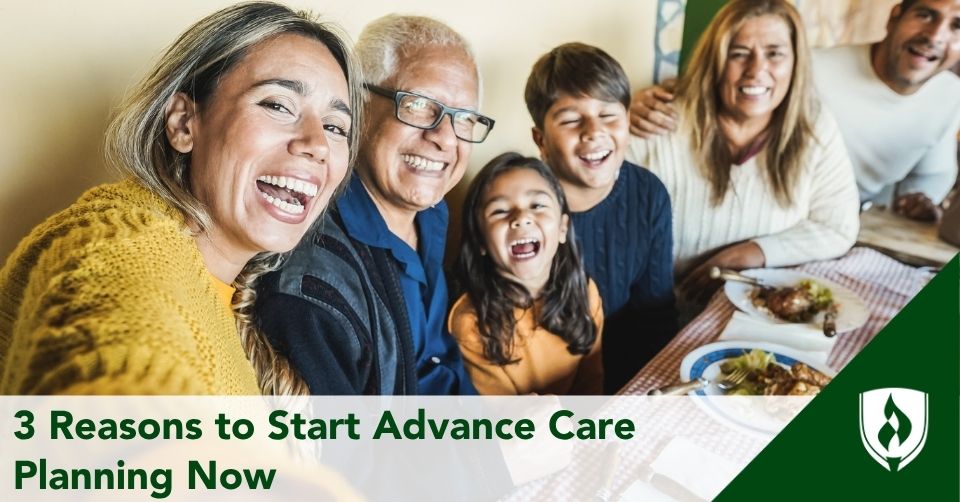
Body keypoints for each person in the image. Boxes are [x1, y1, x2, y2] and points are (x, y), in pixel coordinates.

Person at [0, 2, 362, 395]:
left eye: (335, 126)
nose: (317, 145)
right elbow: (121, 374)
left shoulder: (228, 293)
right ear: (184, 123)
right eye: (277, 105)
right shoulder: (123, 243)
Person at [256, 15, 493, 395]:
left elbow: (435, 365)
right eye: (418, 105)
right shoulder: (314, 286)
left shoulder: (432, 212)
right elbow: (348, 449)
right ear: (358, 108)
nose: (446, 139)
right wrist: (501, 457)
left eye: (464, 118)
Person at [632, 0, 960, 222]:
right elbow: (718, 91)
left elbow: (933, 174)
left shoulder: (950, 96)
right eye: (926, 14)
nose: (935, 36)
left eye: (957, 25)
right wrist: (647, 104)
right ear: (895, 16)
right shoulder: (809, 68)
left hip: (852, 226)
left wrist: (918, 201)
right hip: (774, 217)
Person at [626, 0, 860, 306]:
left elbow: (838, 227)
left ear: (795, 62)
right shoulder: (658, 118)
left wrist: (755, 252)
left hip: (751, 310)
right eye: (738, 53)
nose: (756, 70)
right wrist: (613, 117)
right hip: (650, 314)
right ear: (715, 61)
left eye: (774, 53)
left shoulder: (814, 126)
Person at [524, 42, 676, 393]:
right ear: (541, 140)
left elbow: (655, 317)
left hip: (628, 382)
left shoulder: (648, 194)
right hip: (543, 394)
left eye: (608, 115)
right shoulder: (518, 211)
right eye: (571, 119)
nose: (593, 131)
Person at [449, 152, 603, 395]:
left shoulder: (584, 291)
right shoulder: (472, 324)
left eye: (537, 205)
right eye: (499, 211)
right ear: (480, 240)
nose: (521, 218)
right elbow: (506, 421)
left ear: (563, 228)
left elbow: (592, 383)